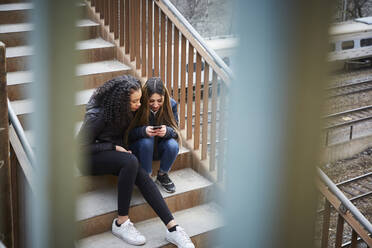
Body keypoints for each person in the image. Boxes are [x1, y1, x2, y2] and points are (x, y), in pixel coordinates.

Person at [77, 75, 194, 248]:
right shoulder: (98, 115)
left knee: (137, 168)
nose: (140, 105)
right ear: (121, 101)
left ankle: (173, 228)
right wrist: (113, 147)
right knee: (131, 161)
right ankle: (121, 222)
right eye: (135, 101)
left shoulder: (126, 111)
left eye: (140, 100)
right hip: (90, 159)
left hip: (114, 154)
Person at [128, 77, 180, 193]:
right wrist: (143, 131)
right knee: (147, 140)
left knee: (173, 145)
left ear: (164, 98)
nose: (155, 105)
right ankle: (146, 177)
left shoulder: (171, 104)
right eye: (151, 101)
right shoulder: (137, 105)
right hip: (141, 149)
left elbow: (176, 132)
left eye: (159, 100)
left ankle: (162, 174)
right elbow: (127, 134)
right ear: (145, 97)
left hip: (159, 149)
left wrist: (167, 131)